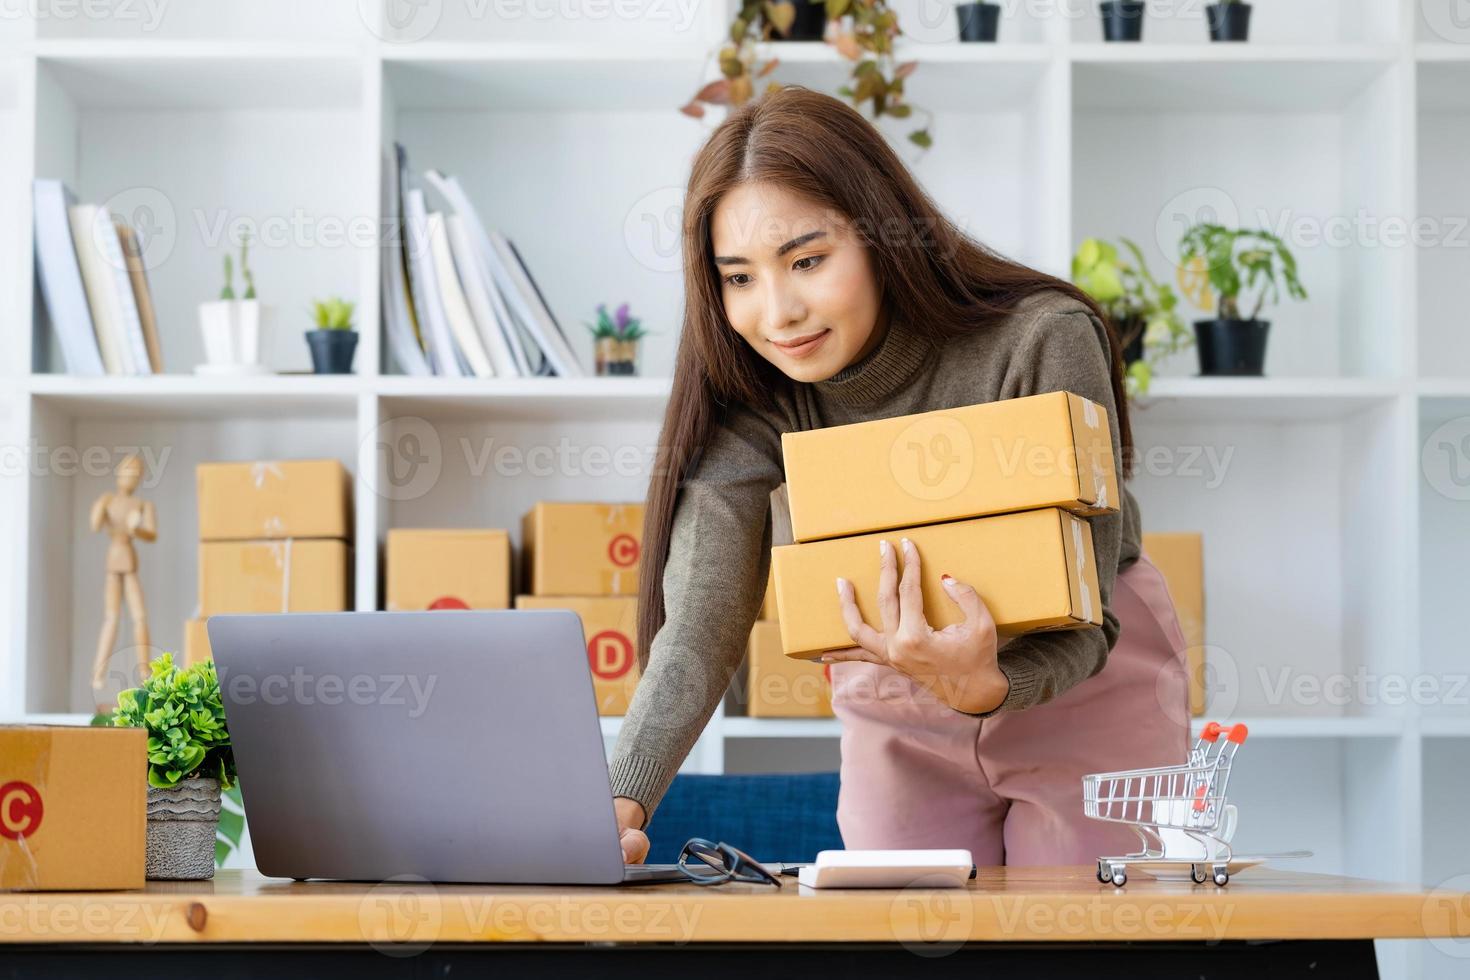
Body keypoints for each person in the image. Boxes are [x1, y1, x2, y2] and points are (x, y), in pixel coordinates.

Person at [609, 86, 1190, 866]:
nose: (776, 313)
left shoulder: (1042, 338)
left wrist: (984, 683)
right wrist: (621, 796)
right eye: (738, 277)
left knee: (1085, 942)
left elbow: (1087, 619)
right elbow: (701, 626)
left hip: (1081, 680)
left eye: (807, 261)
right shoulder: (753, 396)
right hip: (896, 695)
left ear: (883, 235)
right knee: (908, 941)